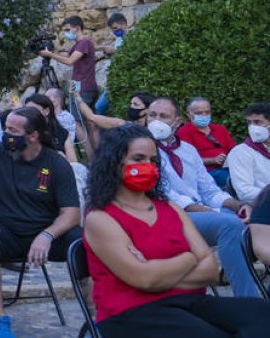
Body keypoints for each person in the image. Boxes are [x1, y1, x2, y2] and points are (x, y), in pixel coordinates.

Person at [84, 125, 269, 336]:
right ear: (113, 163)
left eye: (153, 160)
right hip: (132, 312)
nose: (148, 165)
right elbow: (145, 279)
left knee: (262, 314)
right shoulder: (100, 218)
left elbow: (209, 270)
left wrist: (154, 275)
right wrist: (190, 258)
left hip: (189, 301)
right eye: (138, 158)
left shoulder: (170, 208)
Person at [0, 107, 81, 338]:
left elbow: (72, 213)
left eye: (12, 130)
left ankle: (96, 319)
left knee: (82, 244)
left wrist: (48, 235)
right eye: (6, 128)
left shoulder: (56, 164)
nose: (6, 134)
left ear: (33, 135)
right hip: (5, 233)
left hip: (46, 235)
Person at [143, 97, 261, 297]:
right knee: (228, 224)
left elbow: (209, 189)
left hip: (200, 211)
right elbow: (163, 193)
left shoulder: (188, 150)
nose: (157, 121)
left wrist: (240, 205)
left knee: (254, 219)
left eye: (164, 116)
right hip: (169, 214)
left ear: (177, 121)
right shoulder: (141, 149)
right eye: (152, 115)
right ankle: (250, 299)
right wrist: (209, 211)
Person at [38, 15, 99, 106]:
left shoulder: (85, 42)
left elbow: (70, 61)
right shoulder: (77, 44)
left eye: (67, 30)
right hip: (78, 87)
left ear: (77, 28)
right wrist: (50, 51)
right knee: (78, 118)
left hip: (84, 88)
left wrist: (50, 54)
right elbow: (66, 56)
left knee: (80, 119)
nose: (66, 33)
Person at [175, 97, 235, 189]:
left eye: (207, 112)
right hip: (206, 173)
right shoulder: (183, 133)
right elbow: (186, 160)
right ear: (188, 114)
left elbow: (233, 149)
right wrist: (212, 160)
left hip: (229, 167)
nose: (204, 115)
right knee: (231, 180)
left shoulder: (220, 129)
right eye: (199, 113)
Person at [224, 103, 270, 203]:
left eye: (257, 122)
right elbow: (245, 193)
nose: (252, 127)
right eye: (249, 123)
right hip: (260, 208)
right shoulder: (240, 152)